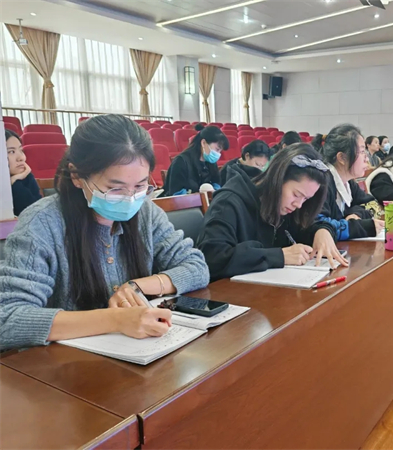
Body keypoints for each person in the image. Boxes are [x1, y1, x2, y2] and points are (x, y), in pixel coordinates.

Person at [0, 115, 210, 351]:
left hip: (136, 355)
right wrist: (115, 320)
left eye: (140, 186)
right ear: (77, 176)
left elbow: (196, 267)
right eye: (115, 188)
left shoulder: (146, 212)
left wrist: (135, 287)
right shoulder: (42, 223)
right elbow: (7, 320)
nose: (130, 198)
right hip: (65, 364)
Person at [198, 144, 348, 281]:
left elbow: (303, 229)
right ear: (278, 179)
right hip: (229, 294)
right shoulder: (228, 203)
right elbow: (212, 259)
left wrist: (322, 230)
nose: (299, 204)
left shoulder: (284, 206)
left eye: (306, 199)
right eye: (296, 194)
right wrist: (279, 256)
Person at [317, 124, 384, 240]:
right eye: (362, 151)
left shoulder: (349, 183)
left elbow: (372, 204)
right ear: (342, 158)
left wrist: (355, 215)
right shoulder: (322, 183)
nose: (367, 159)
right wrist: (357, 227)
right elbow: (318, 227)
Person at [164, 125, 229, 196]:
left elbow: (216, 183)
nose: (218, 154)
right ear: (203, 143)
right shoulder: (181, 162)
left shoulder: (211, 162)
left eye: (220, 151)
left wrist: (214, 192)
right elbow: (177, 194)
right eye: (217, 149)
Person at [5, 129, 41, 216]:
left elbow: (35, 214)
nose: (21, 158)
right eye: (11, 152)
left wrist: (14, 182)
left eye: (21, 150)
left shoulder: (26, 177)